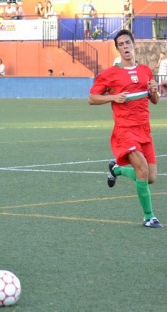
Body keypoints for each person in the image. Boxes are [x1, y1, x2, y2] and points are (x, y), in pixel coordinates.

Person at [88, 29, 162, 229]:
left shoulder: (145, 70)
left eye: (127, 43)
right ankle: (149, 217)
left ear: (133, 44)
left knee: (151, 178)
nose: (125, 47)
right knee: (142, 170)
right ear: (118, 49)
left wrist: (155, 91)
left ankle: (117, 169)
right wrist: (112, 97)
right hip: (125, 129)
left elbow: (154, 100)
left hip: (144, 129)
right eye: (121, 44)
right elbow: (92, 98)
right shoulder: (110, 74)